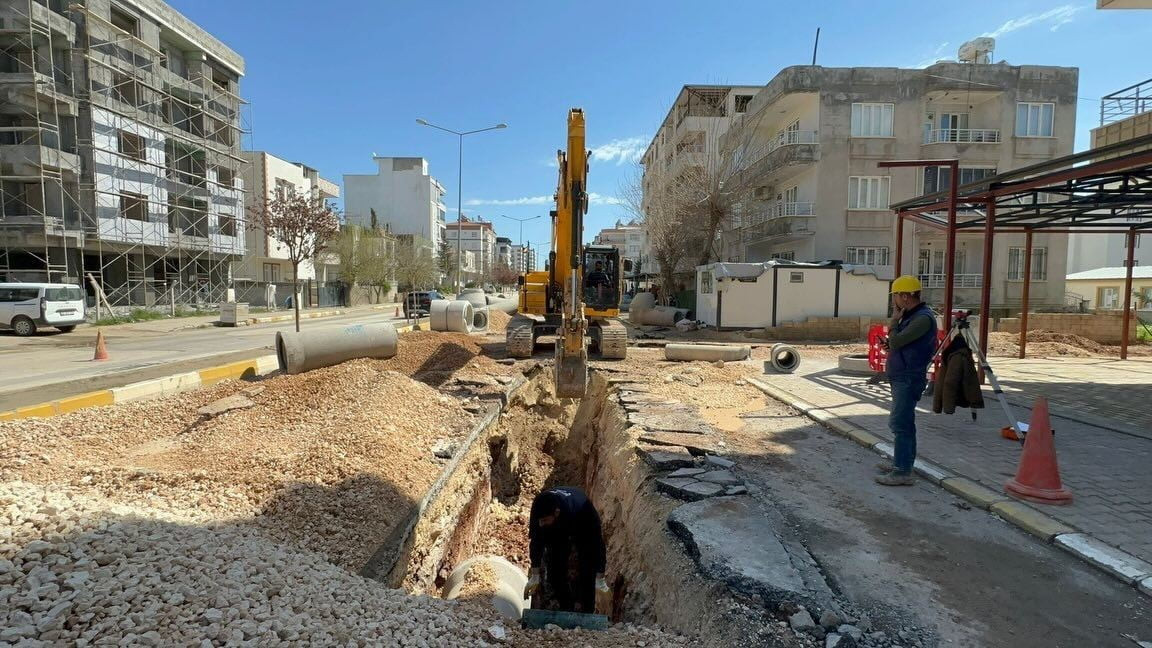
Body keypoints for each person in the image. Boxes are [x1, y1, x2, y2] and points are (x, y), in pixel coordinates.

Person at [876, 275, 938, 487]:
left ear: (905, 296)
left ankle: (903, 471)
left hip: (909, 376)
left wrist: (893, 323)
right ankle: (901, 463)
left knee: (900, 423)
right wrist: (892, 344)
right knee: (902, 422)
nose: (894, 302)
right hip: (902, 374)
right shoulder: (911, 317)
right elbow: (898, 344)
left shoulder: (922, 318)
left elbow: (898, 340)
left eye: (896, 297)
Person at [523, 487, 610, 613]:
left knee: (587, 569)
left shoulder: (583, 510)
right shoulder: (539, 506)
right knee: (554, 569)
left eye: (545, 520)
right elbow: (536, 542)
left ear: (556, 513)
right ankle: (566, 607)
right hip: (557, 528)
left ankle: (586, 610)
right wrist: (535, 575)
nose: (541, 524)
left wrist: (600, 578)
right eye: (540, 521)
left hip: (579, 525)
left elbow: (597, 546)